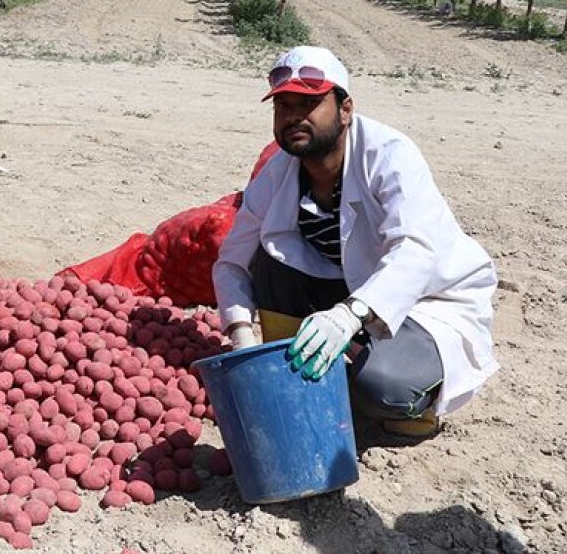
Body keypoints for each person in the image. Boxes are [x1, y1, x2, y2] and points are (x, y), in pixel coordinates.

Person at [212, 46, 498, 438]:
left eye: (309, 104)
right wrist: (240, 334)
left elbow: (415, 251)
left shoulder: (389, 156)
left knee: (381, 387)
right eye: (283, 106)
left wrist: (347, 317)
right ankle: (289, 373)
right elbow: (232, 261)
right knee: (269, 257)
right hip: (351, 285)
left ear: (345, 109)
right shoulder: (279, 172)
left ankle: (413, 403)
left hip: (429, 301)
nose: (294, 116)